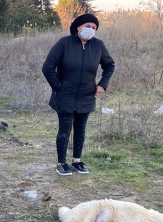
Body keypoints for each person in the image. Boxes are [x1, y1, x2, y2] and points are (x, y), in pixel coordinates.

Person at [42, 13, 115, 176]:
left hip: (86, 95)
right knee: (64, 130)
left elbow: (109, 65)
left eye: (94, 28)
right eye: (88, 26)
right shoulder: (64, 43)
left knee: (80, 130)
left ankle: (77, 161)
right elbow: (47, 67)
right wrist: (58, 86)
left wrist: (102, 84)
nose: (91, 30)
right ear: (78, 27)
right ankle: (61, 163)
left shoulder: (98, 46)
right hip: (65, 95)